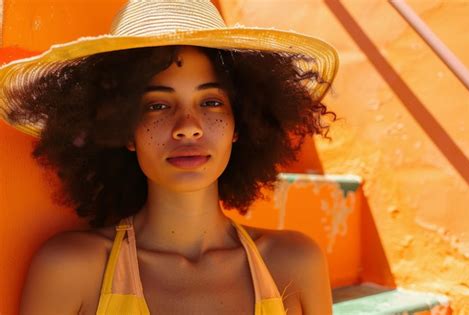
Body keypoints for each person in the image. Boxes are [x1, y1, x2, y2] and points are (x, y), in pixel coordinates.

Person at [1, 1, 338, 314]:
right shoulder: (71, 269)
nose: (188, 128)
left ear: (240, 122)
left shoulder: (295, 263)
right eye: (158, 106)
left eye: (211, 102)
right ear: (123, 128)